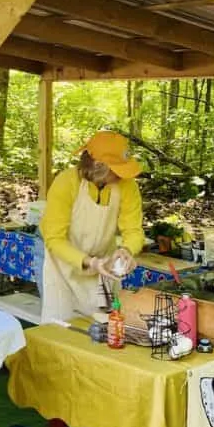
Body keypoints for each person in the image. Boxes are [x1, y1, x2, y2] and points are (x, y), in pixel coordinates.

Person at [40, 130, 144, 324]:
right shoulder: (66, 182)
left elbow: (133, 230)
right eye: (117, 169)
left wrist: (127, 250)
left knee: (104, 331)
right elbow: (54, 238)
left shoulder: (127, 186)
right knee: (62, 335)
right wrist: (91, 262)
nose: (122, 175)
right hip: (64, 271)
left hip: (103, 272)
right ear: (99, 166)